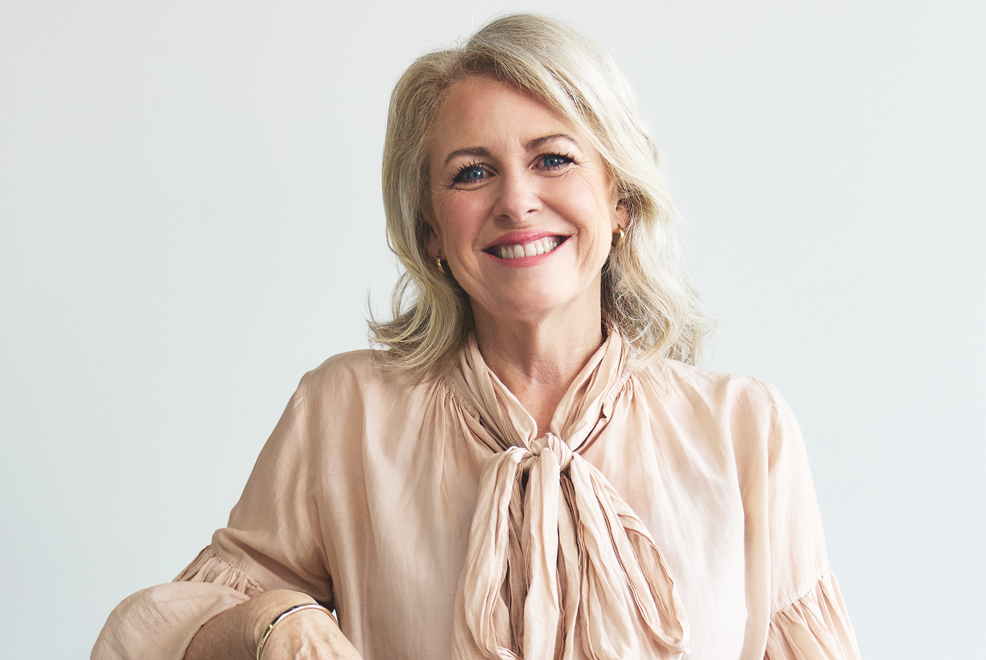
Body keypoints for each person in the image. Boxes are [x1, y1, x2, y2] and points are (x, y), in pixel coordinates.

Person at [92, 13, 860, 660]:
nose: (517, 202)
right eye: (471, 173)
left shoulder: (746, 430)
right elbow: (155, 637)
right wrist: (276, 620)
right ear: (430, 229)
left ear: (620, 199)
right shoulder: (343, 413)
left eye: (553, 159)